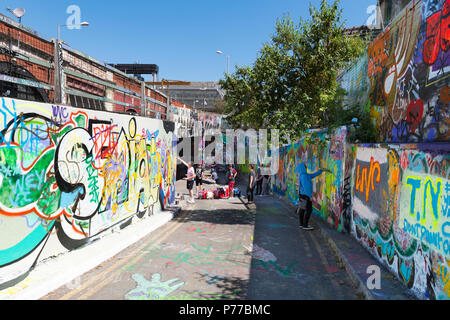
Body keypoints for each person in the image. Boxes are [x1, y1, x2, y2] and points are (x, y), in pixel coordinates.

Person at [297, 163, 329, 230]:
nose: (306, 168)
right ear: (302, 168)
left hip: (303, 195)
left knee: (302, 209)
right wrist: (310, 196)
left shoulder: (304, 175)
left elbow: (313, 175)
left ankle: (302, 224)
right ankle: (305, 225)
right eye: (305, 167)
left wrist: (320, 171)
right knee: (309, 209)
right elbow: (306, 187)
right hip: (305, 195)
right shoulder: (304, 176)